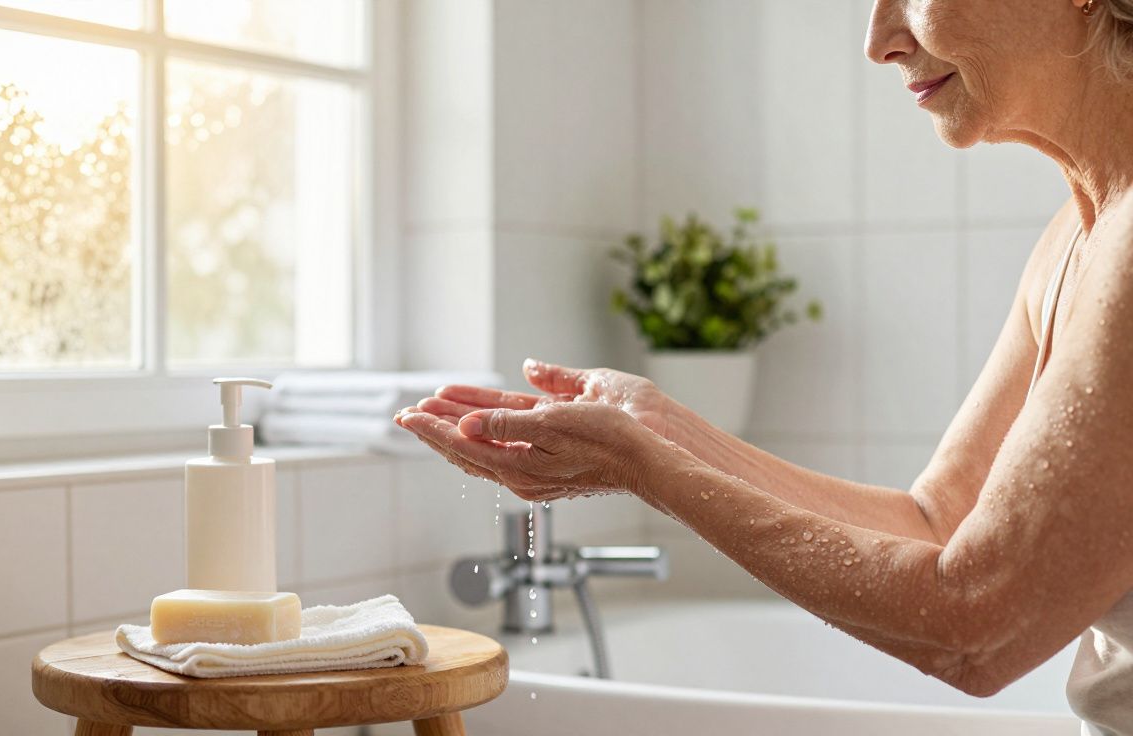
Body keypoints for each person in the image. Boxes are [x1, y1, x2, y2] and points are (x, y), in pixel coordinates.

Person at [395, 1, 1133, 733]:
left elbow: (974, 625)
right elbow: (936, 525)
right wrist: (669, 433)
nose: (879, 41)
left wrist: (648, 471)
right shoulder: (1076, 235)